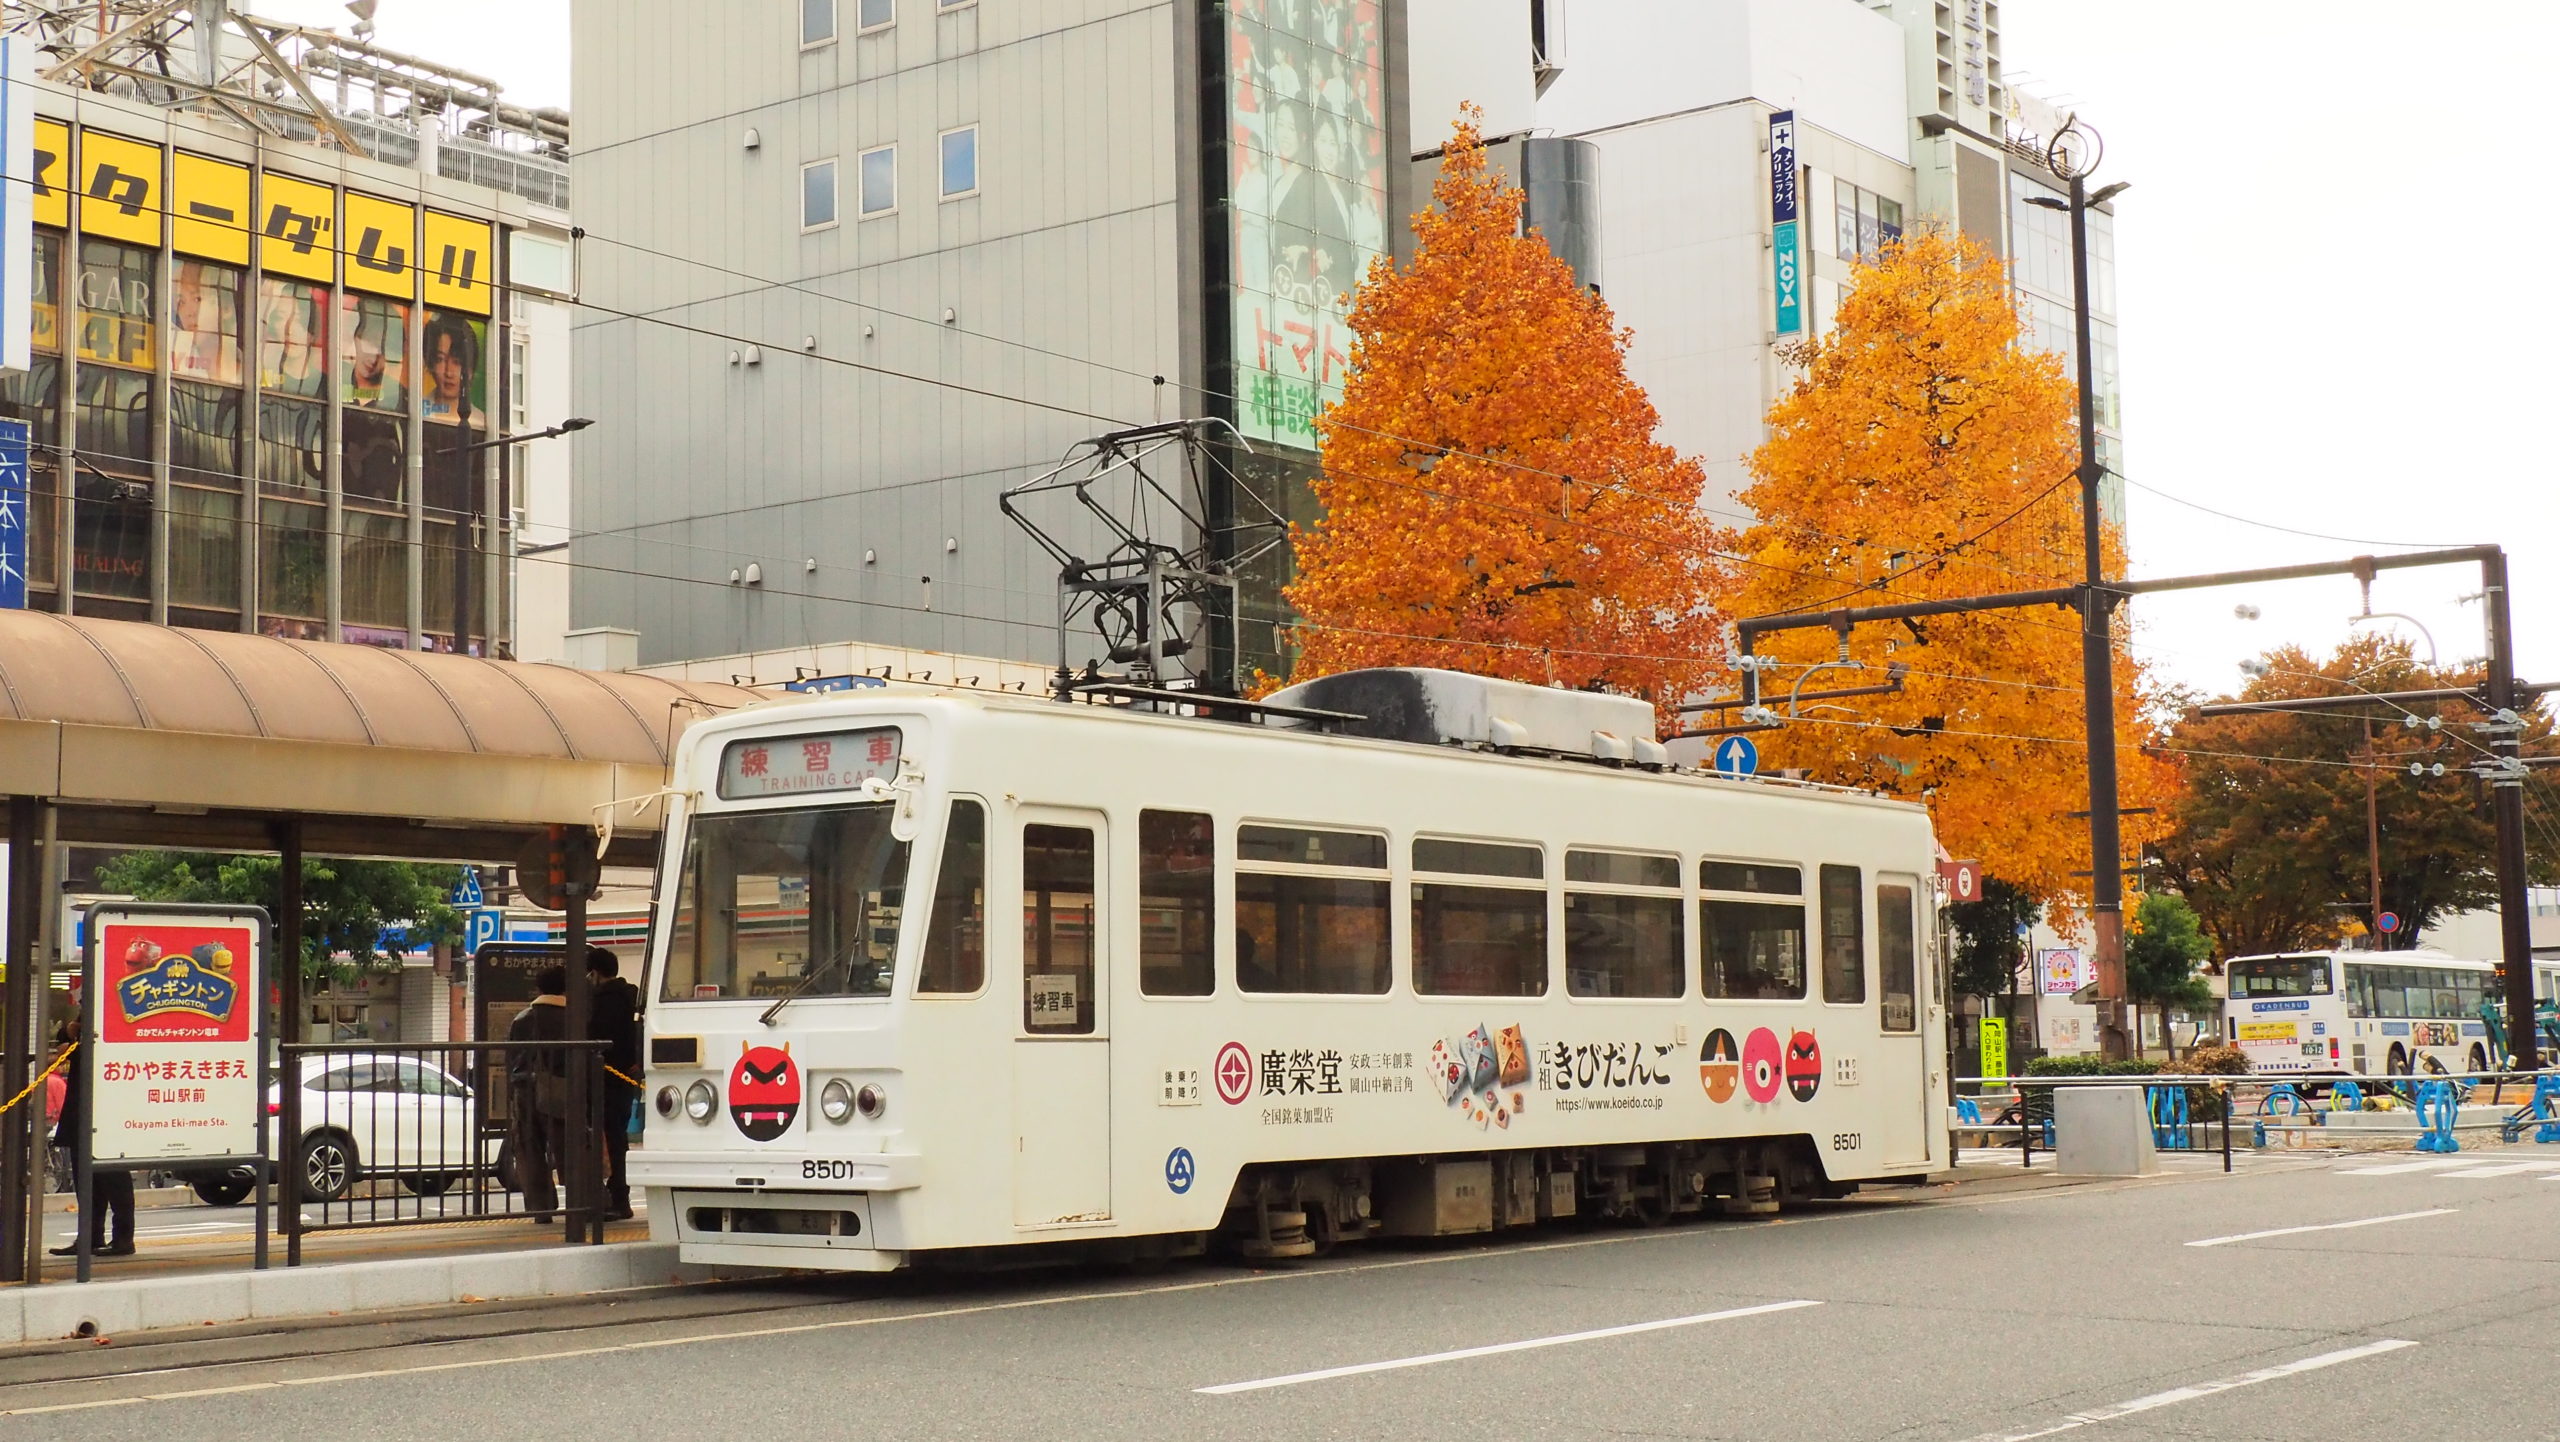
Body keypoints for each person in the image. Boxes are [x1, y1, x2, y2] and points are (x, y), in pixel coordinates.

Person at [48, 1016, 135, 1258]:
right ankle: (90, 1236)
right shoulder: (88, 1005)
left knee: (114, 1176)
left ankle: (123, 1238)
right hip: (82, 1107)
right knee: (86, 1179)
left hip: (109, 1109)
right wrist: (70, 1031)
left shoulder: (115, 1013)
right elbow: (65, 1038)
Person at [505, 965, 569, 1223]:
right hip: (561, 1089)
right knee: (568, 1147)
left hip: (524, 1090)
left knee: (530, 1149)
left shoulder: (521, 1018)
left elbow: (512, 1059)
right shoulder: (571, 1017)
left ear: (539, 988)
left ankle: (540, 1209)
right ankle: (580, 1204)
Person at [585, 947, 643, 1221]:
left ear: (595, 973)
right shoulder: (631, 997)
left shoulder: (603, 1002)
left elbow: (596, 1038)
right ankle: (620, 1197)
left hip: (605, 1079)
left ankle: (617, 1199)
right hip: (624, 1079)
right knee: (617, 1139)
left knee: (609, 1140)